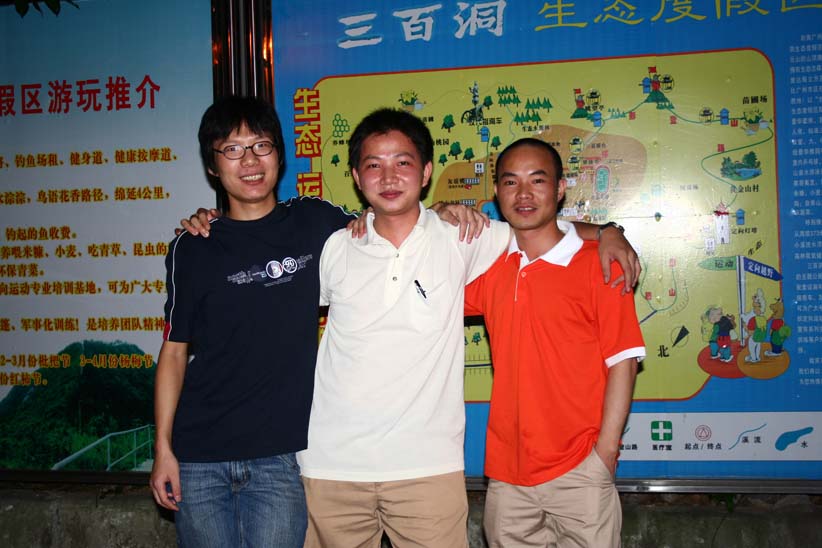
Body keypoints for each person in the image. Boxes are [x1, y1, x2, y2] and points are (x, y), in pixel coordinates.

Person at [297, 111, 639, 548]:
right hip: (337, 465)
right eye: (374, 165)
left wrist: (609, 231)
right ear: (356, 176)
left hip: (435, 469)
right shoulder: (338, 246)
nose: (388, 176)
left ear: (425, 172)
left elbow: (542, 230)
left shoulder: (471, 240)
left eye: (402, 162)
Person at [149, 95, 356, 547]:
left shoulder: (315, 221)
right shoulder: (193, 246)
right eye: (232, 149)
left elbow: (390, 226)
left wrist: (443, 214)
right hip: (199, 456)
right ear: (212, 165)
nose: (249, 161)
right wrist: (163, 448)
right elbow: (175, 352)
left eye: (261, 146)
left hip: (279, 457)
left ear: (279, 156)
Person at [464, 138, 646, 548]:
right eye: (511, 182)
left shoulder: (600, 263)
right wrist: (440, 214)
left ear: (560, 188)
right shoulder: (491, 268)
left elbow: (623, 361)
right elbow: (427, 285)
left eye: (538, 180)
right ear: (497, 193)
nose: (523, 194)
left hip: (580, 469)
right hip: (507, 474)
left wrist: (605, 454)